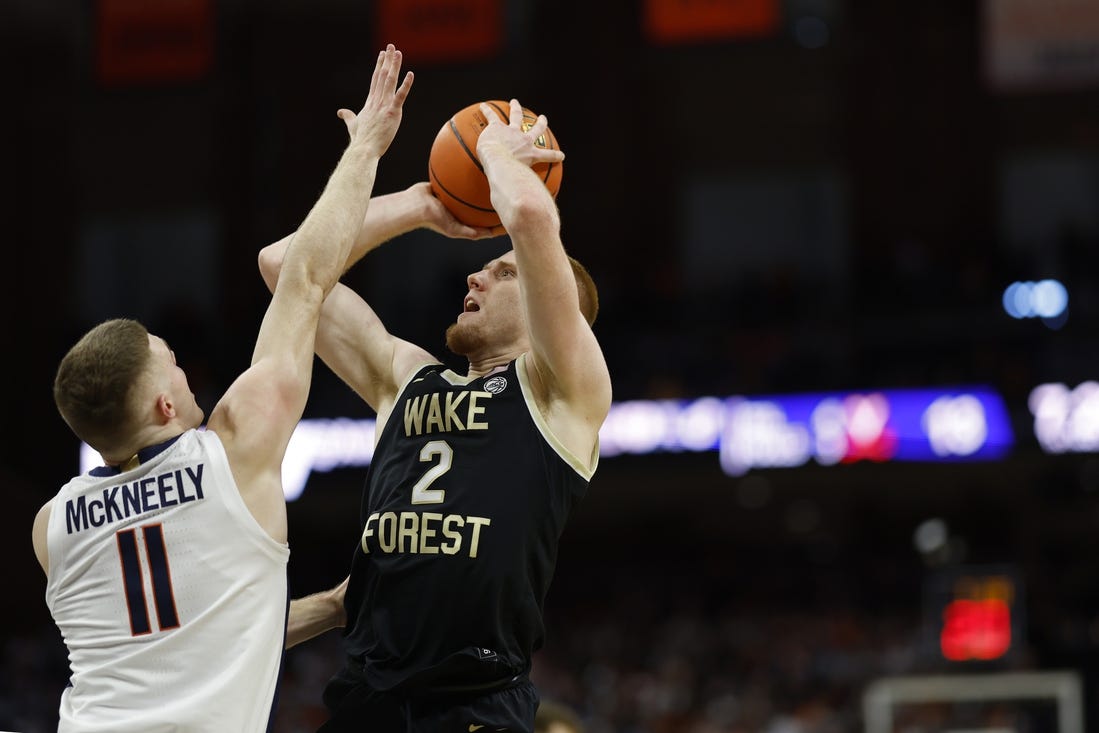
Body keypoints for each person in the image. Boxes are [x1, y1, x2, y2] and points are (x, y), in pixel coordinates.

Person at [32, 44, 414, 733]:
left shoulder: (52, 527)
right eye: (172, 361)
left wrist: (330, 605)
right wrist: (367, 148)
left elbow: (195, 637)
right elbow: (303, 277)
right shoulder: (234, 447)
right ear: (164, 405)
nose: (186, 367)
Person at [260, 100, 612, 731]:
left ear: (546, 310)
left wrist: (498, 156)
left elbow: (530, 217)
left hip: (474, 702)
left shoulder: (562, 395)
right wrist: (420, 205)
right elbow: (285, 266)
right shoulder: (407, 378)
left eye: (503, 273)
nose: (475, 276)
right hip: (366, 695)